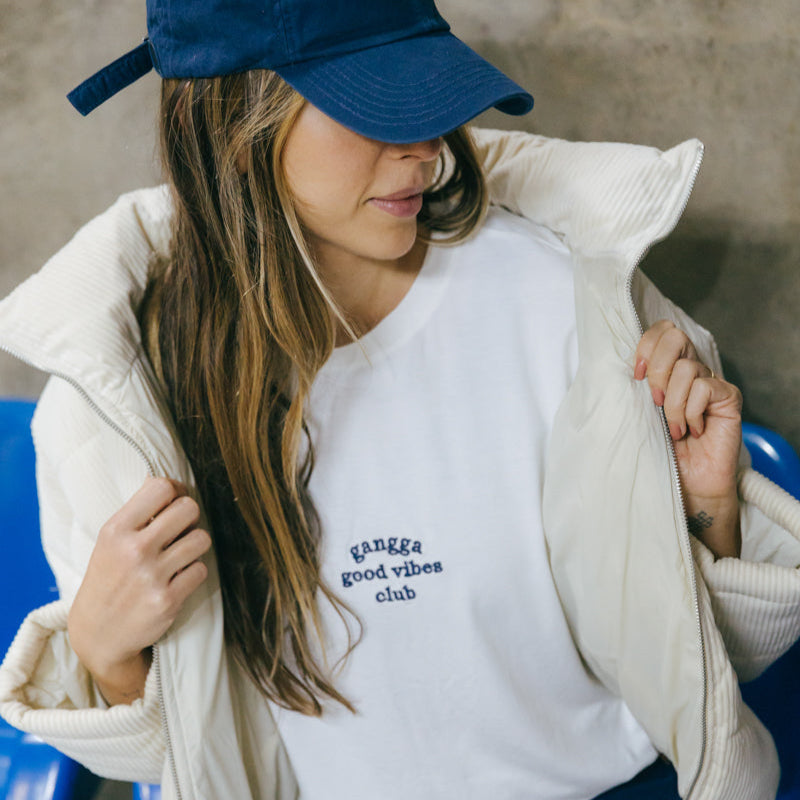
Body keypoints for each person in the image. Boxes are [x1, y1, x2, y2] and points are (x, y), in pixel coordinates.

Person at [2, 1, 800, 799]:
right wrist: (106, 653)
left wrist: (705, 510)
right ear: (239, 127)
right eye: (372, 105)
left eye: (425, 92)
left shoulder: (569, 300)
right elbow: (177, 759)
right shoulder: (123, 395)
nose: (424, 144)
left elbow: (709, 675)